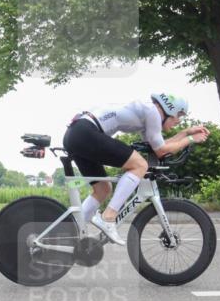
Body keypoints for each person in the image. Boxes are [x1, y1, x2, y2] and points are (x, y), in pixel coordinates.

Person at [62, 93, 209, 245]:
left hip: (77, 133)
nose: (179, 121)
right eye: (179, 115)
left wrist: (185, 134)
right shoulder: (152, 112)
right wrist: (190, 139)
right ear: (170, 110)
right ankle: (109, 216)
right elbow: (161, 151)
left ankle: (68, 233)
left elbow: (160, 146)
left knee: (103, 189)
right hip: (86, 132)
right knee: (140, 165)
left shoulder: (149, 113)